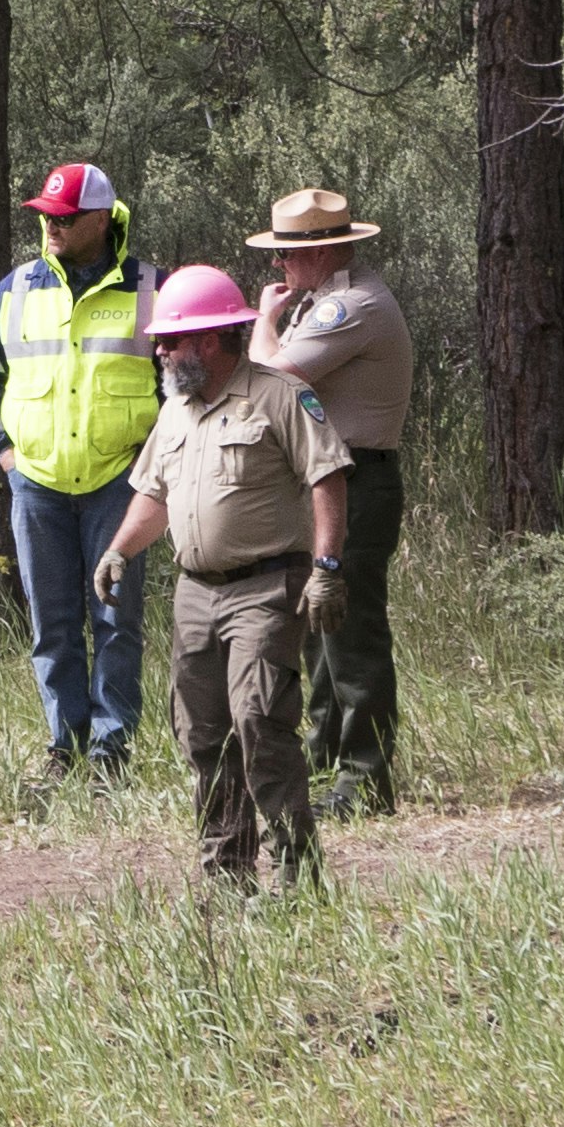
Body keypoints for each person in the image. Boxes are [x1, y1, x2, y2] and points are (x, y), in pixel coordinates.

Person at [90, 266, 352, 885]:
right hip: (195, 594)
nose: (159, 350)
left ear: (208, 340)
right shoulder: (177, 410)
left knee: (259, 719)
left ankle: (296, 869)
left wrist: (327, 568)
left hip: (267, 586)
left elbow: (328, 478)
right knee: (203, 734)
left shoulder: (281, 396)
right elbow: (154, 494)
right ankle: (225, 872)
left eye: (170, 341)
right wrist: (119, 551)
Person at [0, 163, 158, 795]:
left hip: (119, 487)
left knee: (115, 620)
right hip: (37, 487)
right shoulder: (15, 289)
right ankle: (64, 745)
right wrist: (9, 462)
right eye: (45, 215)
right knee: (51, 624)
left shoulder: (152, 290)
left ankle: (112, 750)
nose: (50, 226)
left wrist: (150, 471)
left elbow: (182, 392)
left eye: (65, 218)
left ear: (101, 220)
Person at [246, 187, 415, 817]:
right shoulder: (324, 302)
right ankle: (325, 758)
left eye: (287, 253)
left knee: (352, 635)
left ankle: (365, 780)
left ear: (323, 250)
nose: (278, 266)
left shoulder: (352, 307)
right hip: (333, 481)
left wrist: (263, 322)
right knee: (320, 630)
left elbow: (271, 380)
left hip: (358, 483)